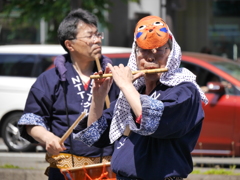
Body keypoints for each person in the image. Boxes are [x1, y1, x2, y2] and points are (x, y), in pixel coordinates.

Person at [73, 15, 208, 180]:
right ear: (135, 55)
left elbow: (152, 121)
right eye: (143, 50)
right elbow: (95, 136)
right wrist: (99, 97)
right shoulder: (134, 92)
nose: (151, 57)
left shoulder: (184, 90)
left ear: (171, 54)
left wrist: (126, 86)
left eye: (159, 50)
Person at [18, 8, 119, 180]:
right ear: (69, 44)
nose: (97, 40)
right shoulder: (49, 79)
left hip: (108, 169)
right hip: (66, 170)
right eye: (89, 36)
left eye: (98, 34)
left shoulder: (114, 76)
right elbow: (31, 120)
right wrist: (48, 137)